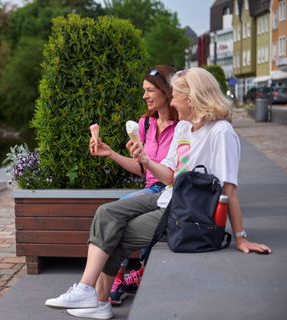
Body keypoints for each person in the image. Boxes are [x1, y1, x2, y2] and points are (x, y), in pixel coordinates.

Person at [45, 67, 271, 319]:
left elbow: (229, 189)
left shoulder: (221, 132)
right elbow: (170, 175)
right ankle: (89, 292)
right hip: (169, 196)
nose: (172, 101)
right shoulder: (185, 128)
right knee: (106, 212)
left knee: (119, 232)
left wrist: (240, 237)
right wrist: (146, 160)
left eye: (176, 95)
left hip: (192, 213)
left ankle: (97, 300)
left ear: (192, 97)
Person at [88, 65, 178, 306]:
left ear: (166, 91)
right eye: (144, 90)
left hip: (169, 189)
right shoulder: (145, 124)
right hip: (151, 190)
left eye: (150, 90)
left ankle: (106, 287)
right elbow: (141, 168)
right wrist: (112, 154)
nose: (145, 96)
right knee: (118, 209)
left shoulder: (182, 127)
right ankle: (113, 282)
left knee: (118, 211)